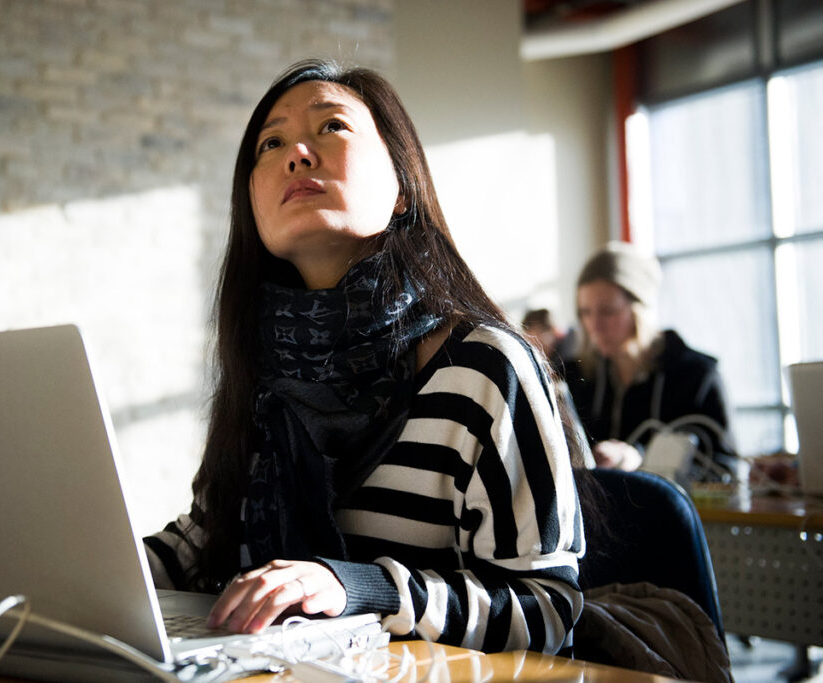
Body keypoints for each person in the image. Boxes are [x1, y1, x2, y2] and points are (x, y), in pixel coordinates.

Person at [143, 59, 586, 655]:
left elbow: (546, 609)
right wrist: (87, 568)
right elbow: (206, 540)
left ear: (402, 189)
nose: (297, 154)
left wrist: (357, 588)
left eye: (332, 128)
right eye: (270, 143)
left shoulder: (485, 366)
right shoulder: (264, 374)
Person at [562, 241, 737, 479]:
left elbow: (726, 469)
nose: (594, 325)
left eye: (608, 311)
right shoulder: (576, 377)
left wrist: (641, 459)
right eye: (585, 312)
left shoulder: (696, 376)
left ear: (639, 309)